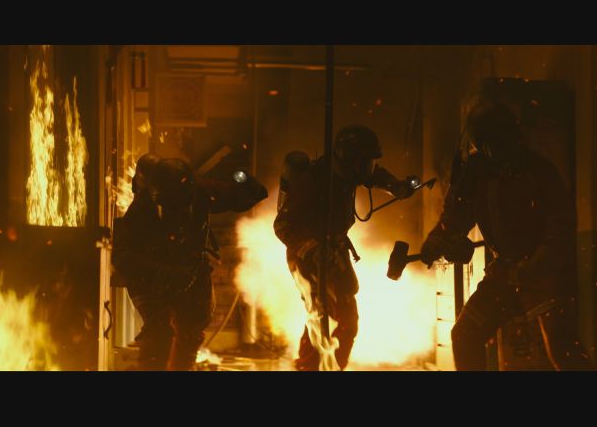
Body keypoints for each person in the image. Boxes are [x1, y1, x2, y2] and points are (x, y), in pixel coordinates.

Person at [420, 101, 592, 370]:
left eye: (500, 141)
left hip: (545, 276)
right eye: (489, 143)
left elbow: (561, 226)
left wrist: (535, 266)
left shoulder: (537, 170)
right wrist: (436, 242)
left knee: (563, 348)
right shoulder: (477, 172)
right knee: (465, 336)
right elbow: (456, 215)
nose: (496, 149)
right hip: (504, 274)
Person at [274, 124, 416, 370]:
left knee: (335, 318)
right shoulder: (313, 181)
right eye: (365, 162)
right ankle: (311, 367)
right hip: (307, 256)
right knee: (326, 317)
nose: (368, 167)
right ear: (351, 159)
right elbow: (283, 225)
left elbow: (374, 175)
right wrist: (313, 250)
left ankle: (318, 366)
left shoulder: (347, 173)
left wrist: (395, 185)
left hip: (332, 249)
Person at [113, 155, 267, 370]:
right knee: (160, 331)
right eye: (171, 207)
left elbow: (252, 195)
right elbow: (122, 258)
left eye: (183, 205)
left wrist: (241, 179)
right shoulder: (141, 210)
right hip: (153, 275)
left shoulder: (200, 192)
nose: (178, 214)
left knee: (191, 330)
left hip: (190, 269)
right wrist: (165, 274)